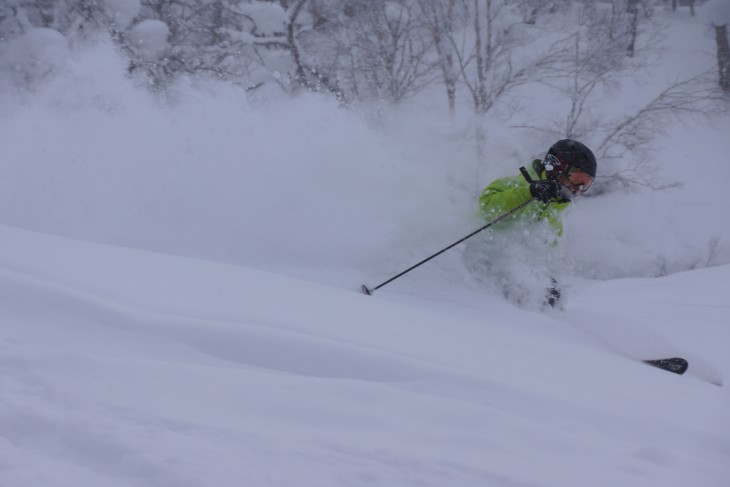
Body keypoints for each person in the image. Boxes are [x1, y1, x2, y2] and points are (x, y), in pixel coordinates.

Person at [471, 139, 597, 309]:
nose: (578, 188)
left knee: (550, 293)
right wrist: (529, 193)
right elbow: (487, 205)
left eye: (585, 184)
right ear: (557, 167)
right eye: (576, 178)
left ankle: (541, 325)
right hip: (482, 260)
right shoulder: (517, 184)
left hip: (516, 273)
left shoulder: (555, 214)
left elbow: (546, 257)